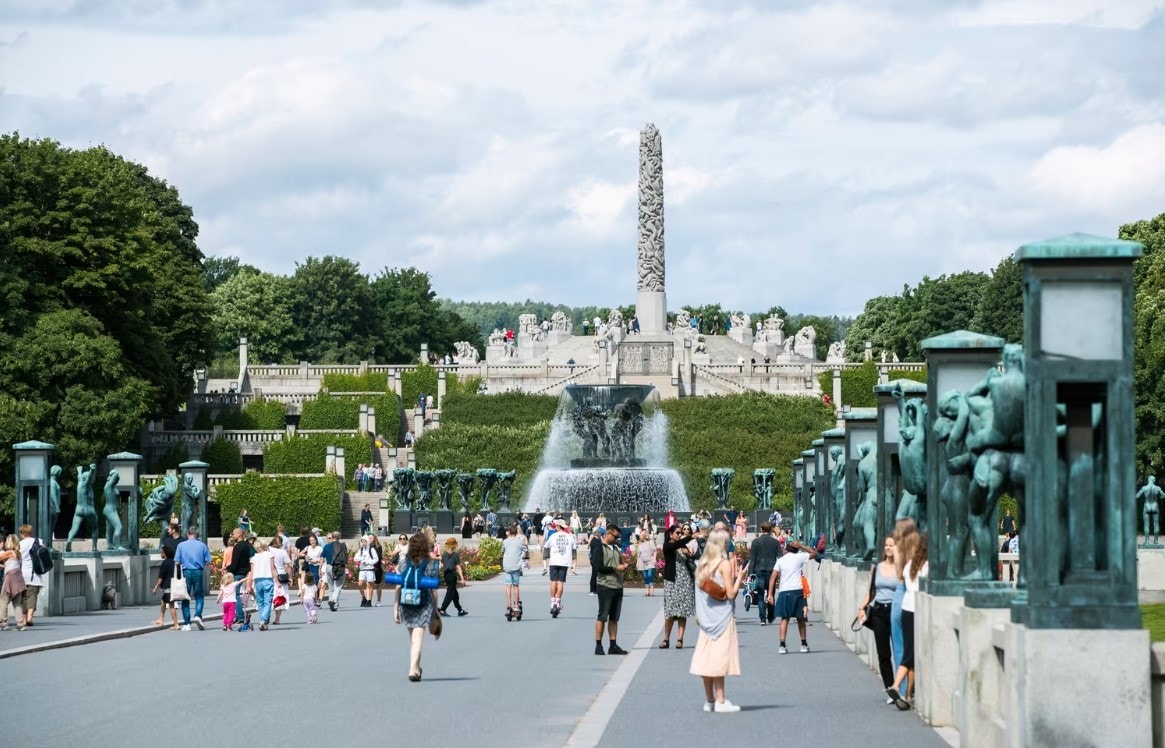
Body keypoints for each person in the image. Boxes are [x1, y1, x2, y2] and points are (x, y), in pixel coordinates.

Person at [691, 529, 743, 713]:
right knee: (719, 658)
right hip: (722, 617)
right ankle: (721, 701)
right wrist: (740, 579)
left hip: (706, 619)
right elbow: (730, 594)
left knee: (706, 659)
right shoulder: (724, 564)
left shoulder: (702, 565)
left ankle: (709, 700)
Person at [888, 533, 929, 710]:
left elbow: (902, 579)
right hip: (917, 611)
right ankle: (897, 686)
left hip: (905, 609)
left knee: (910, 652)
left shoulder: (911, 565)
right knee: (911, 654)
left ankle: (908, 694)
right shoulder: (928, 567)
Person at [856, 536, 898, 698]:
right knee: (884, 653)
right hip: (879, 611)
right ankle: (890, 689)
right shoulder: (877, 568)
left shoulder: (901, 568)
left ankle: (900, 686)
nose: (888, 548)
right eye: (886, 545)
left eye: (891, 545)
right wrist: (861, 608)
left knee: (898, 650)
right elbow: (871, 591)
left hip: (895, 611)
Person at [394, 533, 437, 682]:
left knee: (413, 639)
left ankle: (417, 668)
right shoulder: (430, 562)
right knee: (418, 638)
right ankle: (413, 669)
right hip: (423, 603)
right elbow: (433, 589)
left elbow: (399, 586)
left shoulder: (405, 562)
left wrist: (395, 609)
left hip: (406, 603)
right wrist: (436, 610)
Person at [768, 537, 818, 654]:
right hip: (797, 590)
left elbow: (773, 577)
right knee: (800, 618)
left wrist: (770, 594)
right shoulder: (799, 557)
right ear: (796, 550)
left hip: (784, 590)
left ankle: (782, 644)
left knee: (785, 618)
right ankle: (803, 644)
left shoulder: (781, 560)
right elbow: (815, 554)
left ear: (786, 550)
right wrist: (801, 545)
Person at [592, 524, 629, 655]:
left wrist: (623, 566)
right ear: (608, 534)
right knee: (602, 616)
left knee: (614, 617)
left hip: (617, 586)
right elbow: (598, 567)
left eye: (618, 537)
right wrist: (615, 568)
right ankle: (598, 645)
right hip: (605, 586)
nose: (617, 539)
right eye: (615, 536)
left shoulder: (615, 548)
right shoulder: (599, 548)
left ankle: (613, 645)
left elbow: (616, 564)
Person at [659, 524, 695, 648]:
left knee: (682, 612)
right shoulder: (668, 545)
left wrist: (688, 552)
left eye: (681, 533)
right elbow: (674, 546)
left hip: (684, 580)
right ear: (671, 534)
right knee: (670, 612)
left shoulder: (682, 545)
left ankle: (680, 639)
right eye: (678, 533)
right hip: (672, 581)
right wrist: (691, 536)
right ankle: (666, 638)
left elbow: (691, 557)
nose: (680, 535)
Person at [175, 525, 212, 631]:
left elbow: (177, 562)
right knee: (199, 595)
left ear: (187, 534)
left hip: (186, 571)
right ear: (197, 535)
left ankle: (187, 623)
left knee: (185, 597)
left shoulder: (181, 545)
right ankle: (197, 615)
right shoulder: (202, 545)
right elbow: (208, 560)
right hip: (198, 571)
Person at [746, 523, 779, 625]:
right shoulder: (775, 542)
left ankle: (762, 619)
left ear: (761, 529)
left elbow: (752, 559)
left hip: (759, 569)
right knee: (771, 593)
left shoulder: (756, 542)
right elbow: (780, 557)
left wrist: (750, 573)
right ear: (771, 530)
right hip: (771, 570)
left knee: (760, 595)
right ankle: (770, 616)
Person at [545, 518, 576, 617]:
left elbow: (546, 547)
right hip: (564, 561)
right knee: (560, 582)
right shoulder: (570, 537)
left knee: (553, 581)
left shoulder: (553, 536)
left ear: (558, 526)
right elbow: (574, 550)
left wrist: (547, 557)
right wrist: (573, 561)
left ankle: (552, 602)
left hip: (554, 561)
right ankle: (557, 602)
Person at [247, 538, 276, 630]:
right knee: (268, 602)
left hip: (257, 580)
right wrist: (277, 581)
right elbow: (272, 569)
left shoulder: (253, 558)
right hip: (268, 579)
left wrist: (249, 585)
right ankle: (263, 620)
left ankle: (263, 620)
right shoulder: (269, 555)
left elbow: (251, 573)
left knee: (260, 602)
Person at [17, 525, 43, 627]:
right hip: (35, 573)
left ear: (22, 533)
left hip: (23, 573)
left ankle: (23, 619)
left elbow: (17, 559)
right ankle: (30, 617)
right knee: (32, 595)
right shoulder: (39, 541)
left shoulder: (20, 544)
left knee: (23, 596)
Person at [1, 534, 27, 630]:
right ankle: (20, 624)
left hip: (10, 577)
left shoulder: (9, 552)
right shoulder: (18, 553)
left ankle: (3, 622)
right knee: (17, 602)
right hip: (18, 578)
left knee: (3, 601)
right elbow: (12, 564)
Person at [151, 544, 180, 629]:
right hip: (174, 586)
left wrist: (156, 587)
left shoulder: (165, 562)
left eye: (161, 552)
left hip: (168, 587)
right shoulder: (175, 562)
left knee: (171, 605)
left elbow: (161, 577)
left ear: (165, 553)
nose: (161, 554)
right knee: (163, 601)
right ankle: (161, 618)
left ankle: (176, 624)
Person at [438, 537, 468, 617]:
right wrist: (462, 578)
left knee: (455, 594)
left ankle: (460, 610)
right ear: (454, 545)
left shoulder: (444, 554)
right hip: (452, 575)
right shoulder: (455, 555)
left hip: (446, 575)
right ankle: (442, 610)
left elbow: (442, 565)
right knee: (450, 594)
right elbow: (458, 567)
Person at [502, 524, 527, 621]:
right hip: (516, 566)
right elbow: (526, 550)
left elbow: (502, 551)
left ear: (509, 532)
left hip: (507, 567)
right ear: (516, 532)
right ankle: (516, 605)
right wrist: (524, 555)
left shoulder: (505, 541)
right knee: (516, 585)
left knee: (508, 586)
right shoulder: (520, 542)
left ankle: (508, 606)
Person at [323, 532, 349, 612]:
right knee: (338, 586)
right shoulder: (341, 546)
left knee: (331, 587)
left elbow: (322, 557)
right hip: (338, 567)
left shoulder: (326, 546)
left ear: (332, 537)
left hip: (328, 566)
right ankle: (333, 601)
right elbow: (345, 557)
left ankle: (334, 605)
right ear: (339, 537)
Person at [269, 534, 291, 625]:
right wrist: (290, 577)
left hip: (270, 574)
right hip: (280, 574)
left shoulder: (269, 550)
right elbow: (289, 565)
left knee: (270, 596)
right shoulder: (283, 552)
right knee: (280, 597)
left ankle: (266, 616)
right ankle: (277, 619)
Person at [356, 535, 379, 607]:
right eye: (362, 541)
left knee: (369, 584)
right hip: (362, 569)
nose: (363, 543)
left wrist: (369, 562)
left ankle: (369, 600)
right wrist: (362, 559)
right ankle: (364, 598)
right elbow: (355, 558)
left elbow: (376, 559)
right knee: (360, 584)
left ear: (367, 542)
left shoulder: (371, 549)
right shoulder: (361, 550)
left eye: (364, 541)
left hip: (369, 568)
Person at [636, 529, 657, 596]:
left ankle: (651, 588)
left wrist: (654, 559)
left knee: (650, 575)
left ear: (644, 535)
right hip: (642, 562)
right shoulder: (640, 543)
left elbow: (655, 551)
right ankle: (647, 590)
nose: (639, 536)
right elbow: (638, 554)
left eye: (640, 534)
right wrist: (637, 562)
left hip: (650, 561)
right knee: (645, 576)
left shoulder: (650, 542)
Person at [304, 533, 324, 604]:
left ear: (316, 540)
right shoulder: (308, 548)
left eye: (313, 540)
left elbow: (323, 559)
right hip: (310, 566)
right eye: (310, 540)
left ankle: (316, 598)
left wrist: (317, 560)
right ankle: (312, 598)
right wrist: (306, 556)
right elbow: (300, 553)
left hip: (317, 566)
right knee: (309, 582)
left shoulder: (320, 548)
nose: (312, 542)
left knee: (315, 582)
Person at [588, 527, 603, 596]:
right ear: (597, 534)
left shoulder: (596, 541)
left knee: (595, 574)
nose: (601, 535)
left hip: (595, 559)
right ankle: (593, 589)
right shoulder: (595, 541)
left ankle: (595, 589)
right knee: (594, 575)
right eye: (600, 534)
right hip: (595, 560)